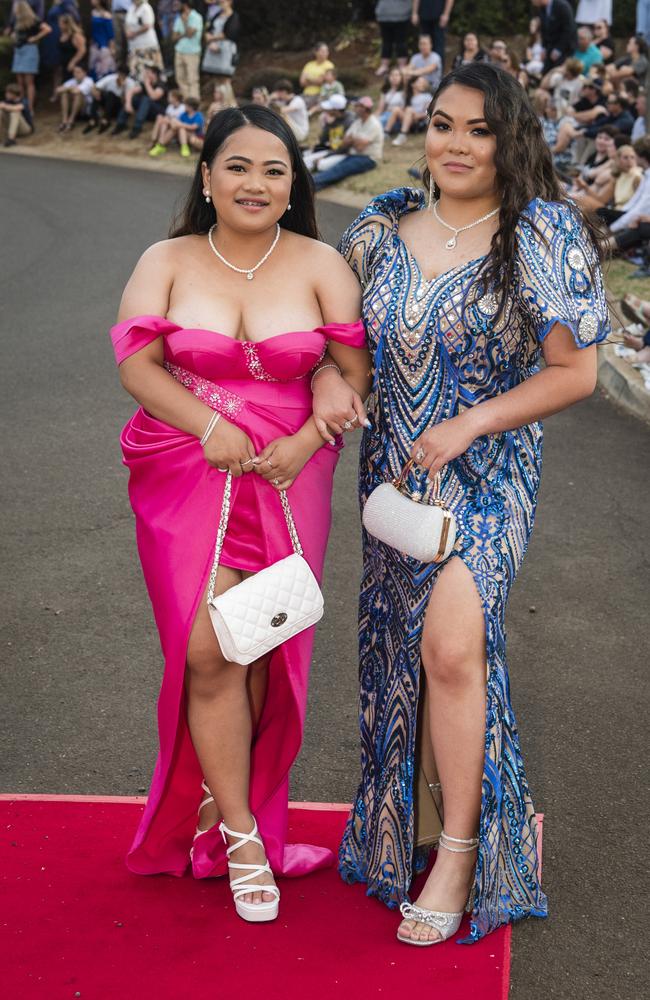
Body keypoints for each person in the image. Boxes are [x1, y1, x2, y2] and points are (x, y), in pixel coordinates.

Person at [313, 61, 610, 946]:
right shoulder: (380, 227)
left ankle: (459, 854)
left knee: (450, 646)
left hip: (489, 473)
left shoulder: (538, 233)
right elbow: (342, 347)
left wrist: (473, 424)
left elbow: (577, 372)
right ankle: (414, 823)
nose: (454, 142)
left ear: (509, 138)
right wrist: (332, 377)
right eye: (443, 123)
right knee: (403, 656)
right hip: (397, 479)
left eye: (478, 129)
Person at [109, 104, 370, 923]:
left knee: (263, 646)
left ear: (294, 185)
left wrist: (309, 429)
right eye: (239, 167)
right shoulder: (169, 258)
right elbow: (138, 366)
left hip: (292, 475)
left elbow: (353, 374)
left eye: (274, 170)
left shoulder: (323, 261)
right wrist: (212, 426)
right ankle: (245, 835)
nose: (256, 183)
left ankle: (235, 810)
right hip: (186, 468)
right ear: (206, 175)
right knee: (208, 649)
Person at [312, 96, 384, 190]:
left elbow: (360, 147)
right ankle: (314, 186)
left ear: (364, 108)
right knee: (335, 169)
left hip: (368, 158)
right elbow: (344, 142)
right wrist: (355, 140)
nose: (354, 108)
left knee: (340, 169)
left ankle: (311, 183)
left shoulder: (374, 124)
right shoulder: (357, 122)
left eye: (357, 106)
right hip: (353, 154)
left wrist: (352, 140)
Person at [9, 1, 51, 115]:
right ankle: (21, 105)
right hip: (18, 51)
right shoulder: (17, 21)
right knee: (20, 81)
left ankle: (30, 108)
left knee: (29, 82)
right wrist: (13, 36)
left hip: (29, 50)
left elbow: (47, 29)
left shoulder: (33, 20)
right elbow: (16, 33)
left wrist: (35, 38)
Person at [303, 93, 354, 171]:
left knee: (321, 165)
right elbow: (322, 140)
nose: (326, 110)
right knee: (305, 161)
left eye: (329, 108)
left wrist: (325, 156)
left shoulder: (349, 121)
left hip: (344, 153)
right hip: (332, 149)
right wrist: (328, 125)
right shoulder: (333, 119)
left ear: (335, 110)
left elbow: (344, 148)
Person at [84, 63, 138, 132]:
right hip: (107, 103)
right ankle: (93, 119)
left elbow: (126, 101)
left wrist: (123, 88)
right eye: (119, 74)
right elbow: (95, 86)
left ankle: (106, 120)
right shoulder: (111, 78)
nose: (120, 76)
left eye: (123, 75)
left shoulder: (130, 83)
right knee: (101, 93)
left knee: (111, 94)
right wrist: (96, 93)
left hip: (119, 105)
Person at [533, 0, 578, 73]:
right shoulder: (542, 8)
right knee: (545, 72)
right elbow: (544, 29)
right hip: (551, 46)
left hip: (565, 48)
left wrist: (559, 49)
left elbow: (569, 30)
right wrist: (544, 48)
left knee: (556, 73)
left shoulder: (562, 6)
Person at [172, 1, 203, 102]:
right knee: (180, 78)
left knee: (192, 79)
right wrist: (184, 34)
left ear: (184, 5)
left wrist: (185, 23)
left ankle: (194, 103)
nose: (176, 4)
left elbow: (190, 34)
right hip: (179, 51)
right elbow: (174, 37)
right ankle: (187, 102)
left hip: (192, 52)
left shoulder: (196, 17)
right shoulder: (179, 17)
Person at [125, 0, 162, 81]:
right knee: (135, 72)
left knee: (149, 71)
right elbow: (127, 23)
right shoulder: (131, 8)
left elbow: (148, 25)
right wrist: (127, 32)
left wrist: (134, 33)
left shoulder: (146, 8)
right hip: (134, 46)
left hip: (147, 47)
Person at [202, 0, 239, 81]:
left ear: (230, 2)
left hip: (226, 50)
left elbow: (229, 33)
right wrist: (209, 40)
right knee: (216, 79)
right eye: (220, 2)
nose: (221, 4)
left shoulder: (234, 16)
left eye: (223, 2)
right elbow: (209, 29)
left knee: (225, 79)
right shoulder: (217, 15)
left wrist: (212, 38)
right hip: (213, 47)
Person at [375, 0, 412, 76]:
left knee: (401, 43)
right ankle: (384, 66)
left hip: (402, 15)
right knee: (386, 42)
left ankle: (402, 66)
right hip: (383, 16)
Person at [392, 75, 431, 145]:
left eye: (423, 82)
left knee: (409, 109)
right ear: (413, 85)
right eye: (419, 82)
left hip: (419, 122)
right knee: (396, 109)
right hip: (408, 120)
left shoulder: (427, 96)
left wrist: (418, 116)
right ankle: (386, 132)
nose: (422, 84)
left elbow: (428, 112)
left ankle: (402, 135)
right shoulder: (408, 97)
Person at [55, 62, 94, 131]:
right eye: (75, 72)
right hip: (73, 106)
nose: (76, 74)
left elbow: (77, 91)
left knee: (78, 95)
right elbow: (57, 90)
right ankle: (64, 121)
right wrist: (68, 88)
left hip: (85, 110)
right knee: (64, 94)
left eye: (78, 72)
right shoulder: (72, 81)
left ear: (84, 73)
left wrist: (68, 88)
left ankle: (71, 120)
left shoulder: (88, 81)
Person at [269, 79, 309, 144]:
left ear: (284, 92)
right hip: (291, 132)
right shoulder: (283, 101)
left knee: (282, 116)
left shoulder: (298, 100)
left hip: (301, 133)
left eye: (278, 92)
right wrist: (270, 99)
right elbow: (268, 109)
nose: (277, 94)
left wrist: (272, 99)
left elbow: (282, 110)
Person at [299, 41, 335, 107]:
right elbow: (302, 82)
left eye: (327, 51)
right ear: (316, 52)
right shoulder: (309, 65)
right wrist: (316, 80)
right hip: (306, 93)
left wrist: (308, 78)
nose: (326, 53)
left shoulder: (329, 65)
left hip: (319, 94)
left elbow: (321, 82)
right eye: (323, 51)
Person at [0, 80, 33, 147]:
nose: (6, 94)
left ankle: (11, 139)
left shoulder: (24, 101)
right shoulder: (7, 101)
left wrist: (5, 106)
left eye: (8, 93)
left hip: (25, 129)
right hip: (11, 127)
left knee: (15, 113)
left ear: (14, 94)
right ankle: (2, 137)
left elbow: (18, 108)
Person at [89, 0, 115, 80]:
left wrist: (112, 48)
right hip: (94, 46)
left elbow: (110, 34)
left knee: (103, 69)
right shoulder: (93, 13)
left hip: (104, 47)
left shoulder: (106, 15)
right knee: (94, 68)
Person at [377, 66, 406, 133]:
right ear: (389, 77)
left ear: (401, 77)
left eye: (397, 75)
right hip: (385, 115)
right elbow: (380, 109)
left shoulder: (405, 91)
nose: (394, 77)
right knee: (374, 121)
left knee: (379, 123)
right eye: (392, 75)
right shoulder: (385, 91)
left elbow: (405, 108)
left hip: (398, 118)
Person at [111, 0, 132, 67]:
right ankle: (119, 65)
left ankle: (130, 65)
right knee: (118, 41)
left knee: (129, 40)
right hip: (115, 13)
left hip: (128, 12)